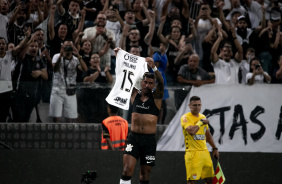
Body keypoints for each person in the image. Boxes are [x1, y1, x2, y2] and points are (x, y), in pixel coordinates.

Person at [119, 58, 164, 184]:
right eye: (145, 82)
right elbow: (128, 73)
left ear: (153, 85)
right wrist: (119, 56)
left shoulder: (156, 99)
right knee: (127, 169)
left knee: (145, 175)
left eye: (151, 83)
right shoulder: (135, 95)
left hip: (149, 141)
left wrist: (154, 67)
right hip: (133, 138)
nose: (147, 85)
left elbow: (161, 82)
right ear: (142, 83)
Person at [180, 96, 219, 184]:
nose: (197, 107)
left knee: (210, 180)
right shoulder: (185, 117)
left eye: (199, 105)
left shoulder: (202, 116)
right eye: (194, 105)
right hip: (193, 153)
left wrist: (214, 148)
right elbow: (191, 131)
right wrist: (200, 122)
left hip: (204, 152)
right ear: (189, 105)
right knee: (192, 181)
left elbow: (207, 134)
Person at [49, 39, 87, 123]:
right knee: (56, 116)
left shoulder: (76, 59)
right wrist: (60, 56)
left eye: (70, 46)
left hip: (70, 91)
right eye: (66, 46)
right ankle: (56, 134)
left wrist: (78, 55)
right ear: (62, 47)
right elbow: (55, 69)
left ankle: (69, 135)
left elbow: (84, 69)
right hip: (57, 90)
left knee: (71, 117)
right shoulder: (56, 56)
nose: (68, 48)